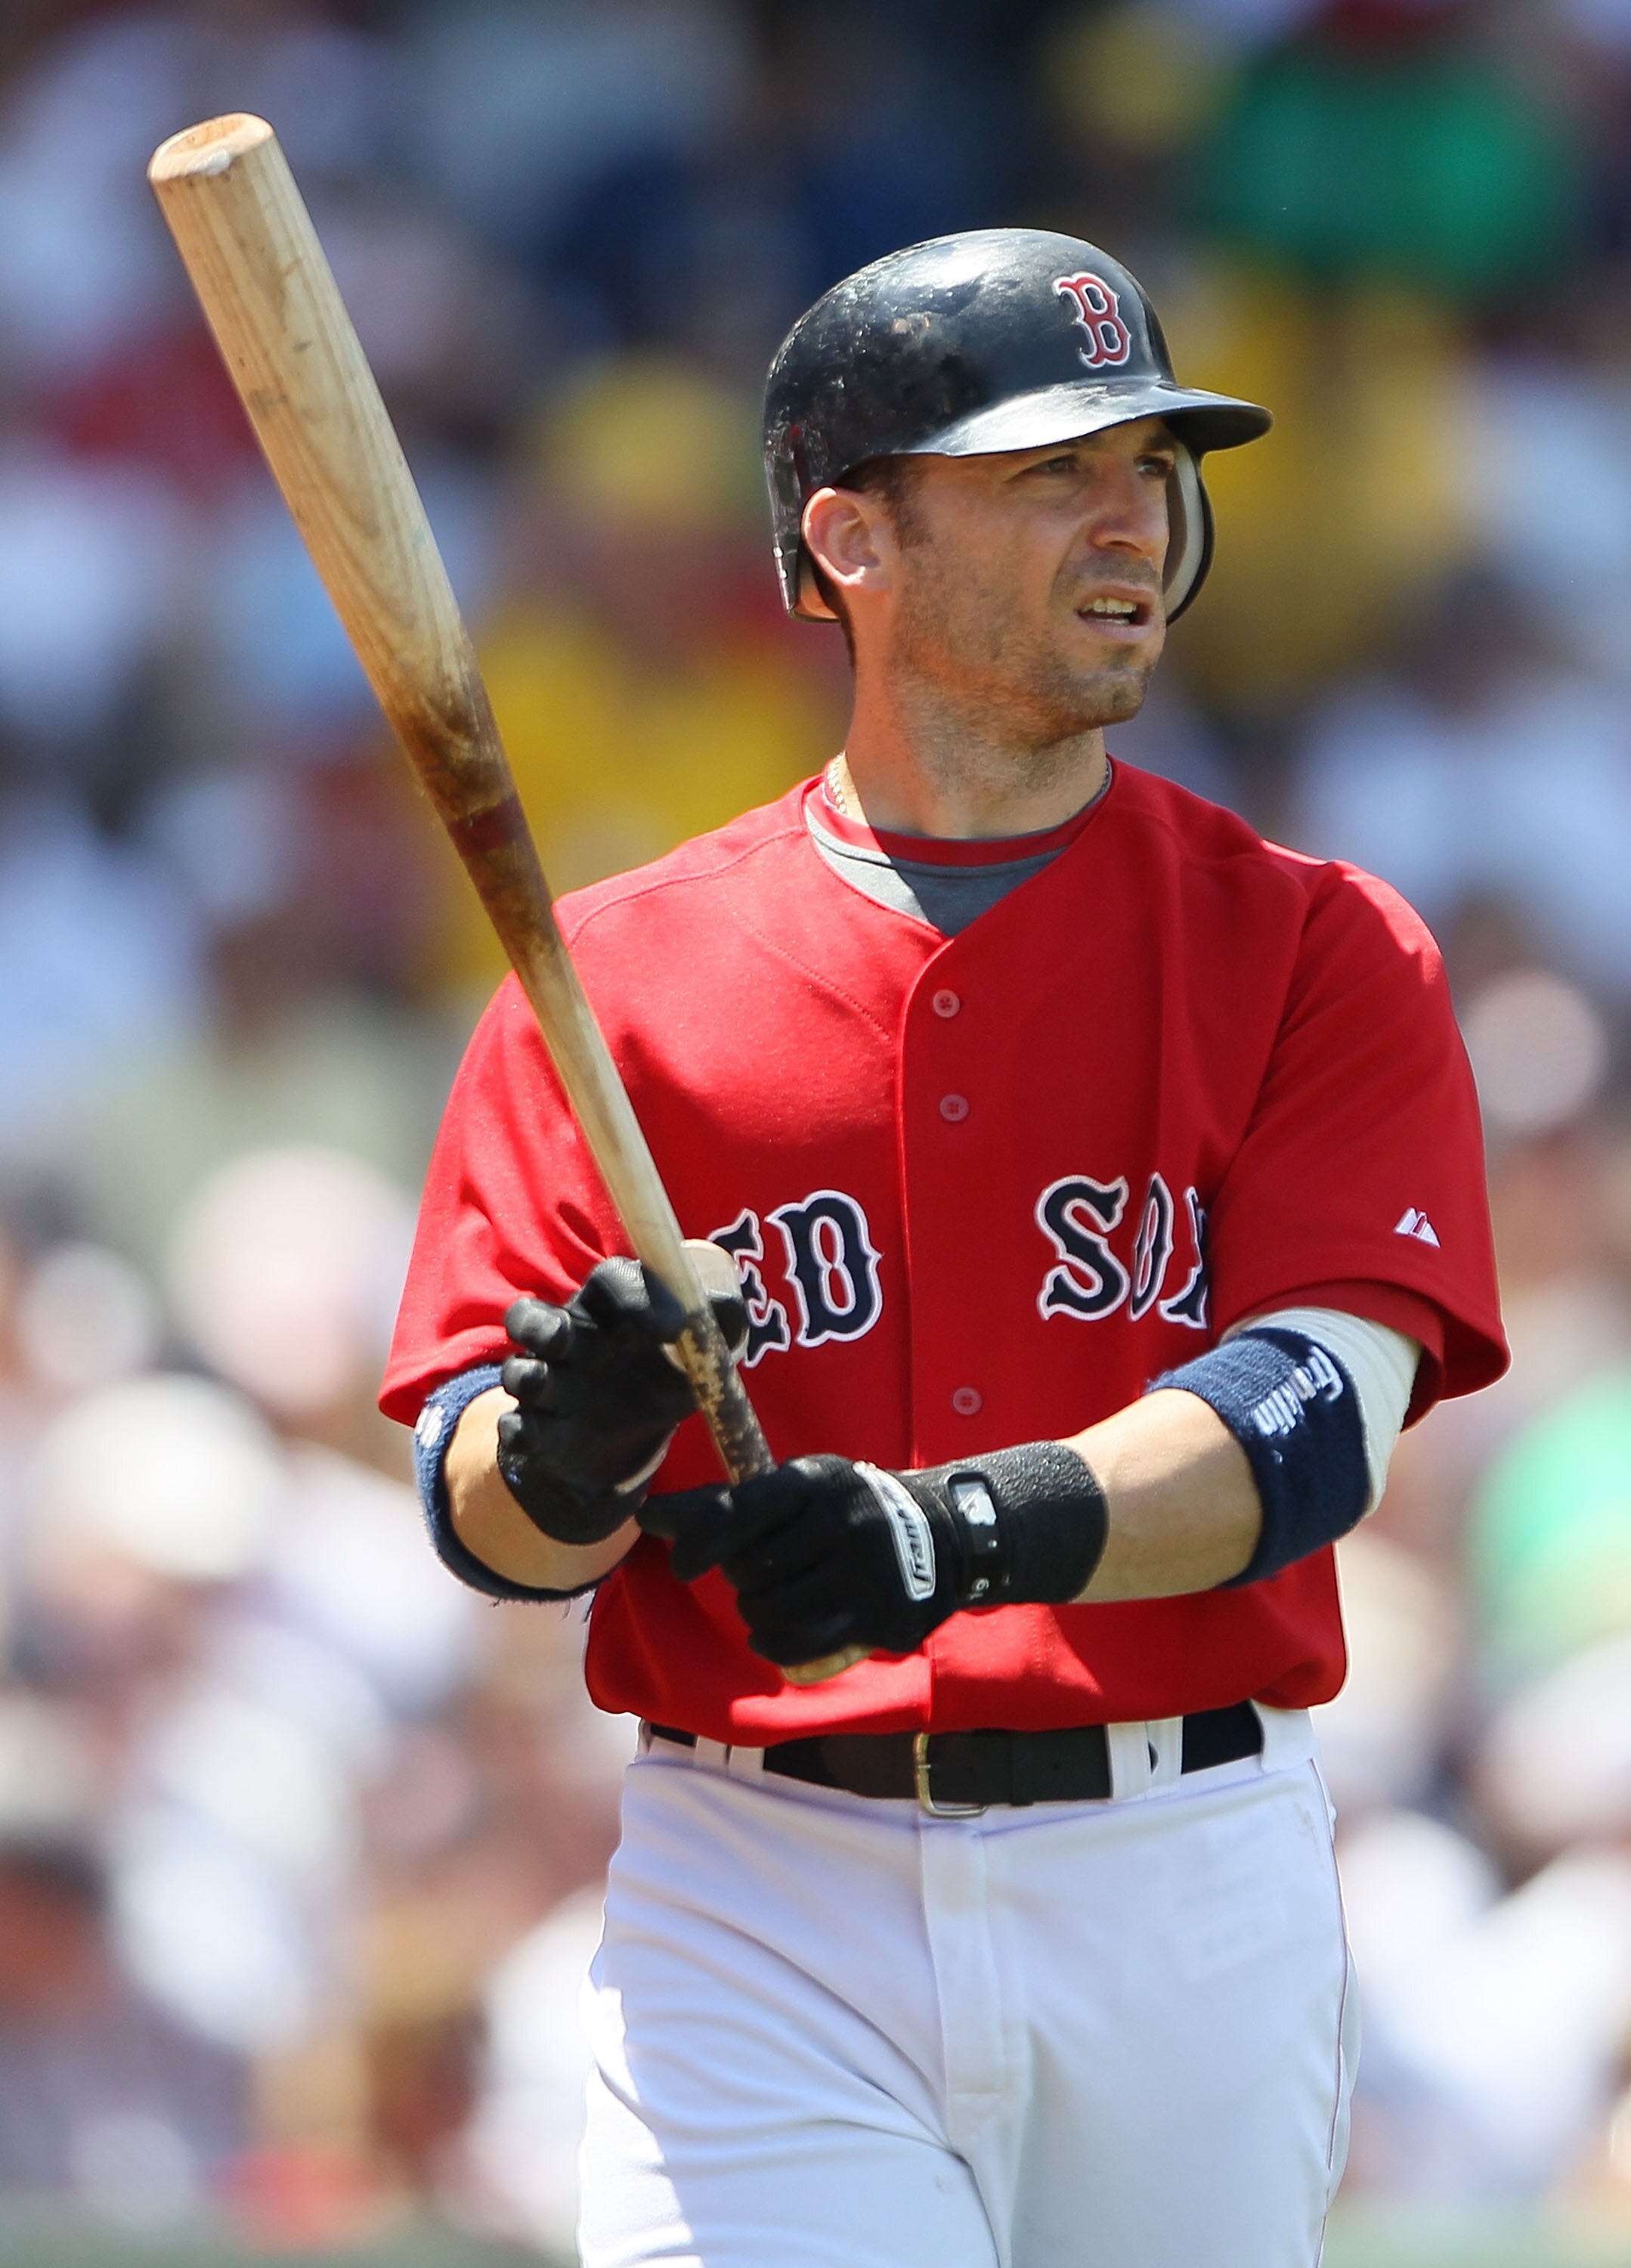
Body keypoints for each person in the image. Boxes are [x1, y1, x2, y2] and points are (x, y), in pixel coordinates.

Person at [383, 231, 1507, 2268]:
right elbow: (484, 1519)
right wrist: (567, 1450)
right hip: (762, 1874)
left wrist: (951, 1535)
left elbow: (1316, 1421)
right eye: (1046, 470)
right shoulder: (615, 983)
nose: (1132, 520)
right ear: (849, 537)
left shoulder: (1317, 943)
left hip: (1181, 1872)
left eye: (1154, 467)